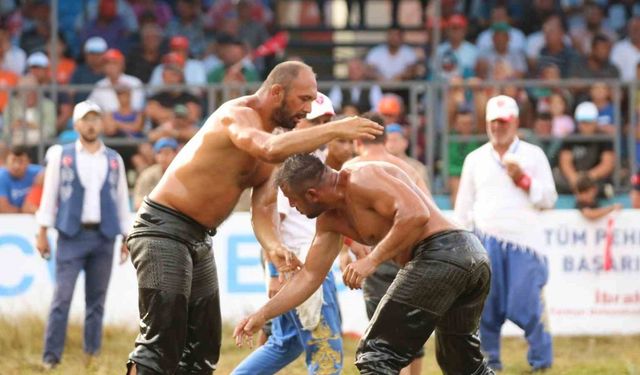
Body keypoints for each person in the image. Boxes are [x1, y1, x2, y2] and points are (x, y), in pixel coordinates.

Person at [124, 61, 382, 375]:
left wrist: (273, 247)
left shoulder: (277, 142)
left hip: (199, 236)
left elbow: (263, 208)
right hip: (162, 229)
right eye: (304, 99)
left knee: (202, 349)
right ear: (276, 92)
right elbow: (269, 148)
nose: (308, 107)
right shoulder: (237, 114)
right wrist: (335, 128)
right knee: (162, 341)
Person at [234, 153, 494, 375]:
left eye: (292, 199)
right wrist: (262, 314)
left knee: (376, 352)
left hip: (445, 251)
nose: (291, 206)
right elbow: (309, 277)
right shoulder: (329, 221)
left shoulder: (362, 177)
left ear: (312, 194)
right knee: (461, 364)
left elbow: (416, 214)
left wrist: (371, 260)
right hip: (467, 259)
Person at [232, 92, 343, 375]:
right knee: (325, 348)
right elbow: (272, 222)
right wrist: (272, 272)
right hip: (302, 265)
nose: (324, 128)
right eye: (316, 121)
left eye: (328, 121)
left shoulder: (315, 160)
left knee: (285, 344)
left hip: (301, 262)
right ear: (297, 124)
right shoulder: (289, 167)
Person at [454, 95, 558, 372]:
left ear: (515, 123)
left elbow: (549, 198)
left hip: (525, 243)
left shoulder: (532, 155)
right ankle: (490, 364)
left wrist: (523, 180)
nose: (498, 128)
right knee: (486, 308)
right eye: (493, 122)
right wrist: (463, 244)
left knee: (526, 303)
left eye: (503, 122)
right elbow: (463, 206)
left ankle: (541, 362)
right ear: (486, 124)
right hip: (484, 240)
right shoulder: (475, 159)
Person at [35, 100, 131, 369]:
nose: (91, 124)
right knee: (61, 298)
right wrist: (42, 232)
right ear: (76, 124)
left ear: (101, 123)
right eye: (86, 119)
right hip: (71, 235)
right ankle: (50, 357)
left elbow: (121, 199)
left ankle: (91, 355)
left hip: (104, 236)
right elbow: (49, 195)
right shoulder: (61, 156)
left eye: (95, 119)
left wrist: (126, 237)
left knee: (96, 301)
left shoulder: (114, 159)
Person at [345, 111, 429, 375]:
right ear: (383, 138)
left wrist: (345, 251)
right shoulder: (408, 169)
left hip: (373, 258)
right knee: (412, 331)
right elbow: (427, 212)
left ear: (359, 141)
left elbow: (337, 216)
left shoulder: (350, 169)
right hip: (410, 256)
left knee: (381, 334)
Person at [132, 137, 178, 210]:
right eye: (160, 153)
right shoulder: (147, 174)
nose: (163, 157)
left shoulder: (182, 173)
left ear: (176, 154)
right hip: (152, 216)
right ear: (155, 156)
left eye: (167, 153)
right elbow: (137, 203)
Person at [0, 145, 43, 213]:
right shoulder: (1, 176)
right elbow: (3, 208)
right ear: (7, 161)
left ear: (29, 162)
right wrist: (26, 209)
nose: (16, 166)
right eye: (13, 160)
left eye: (21, 161)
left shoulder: (39, 173)